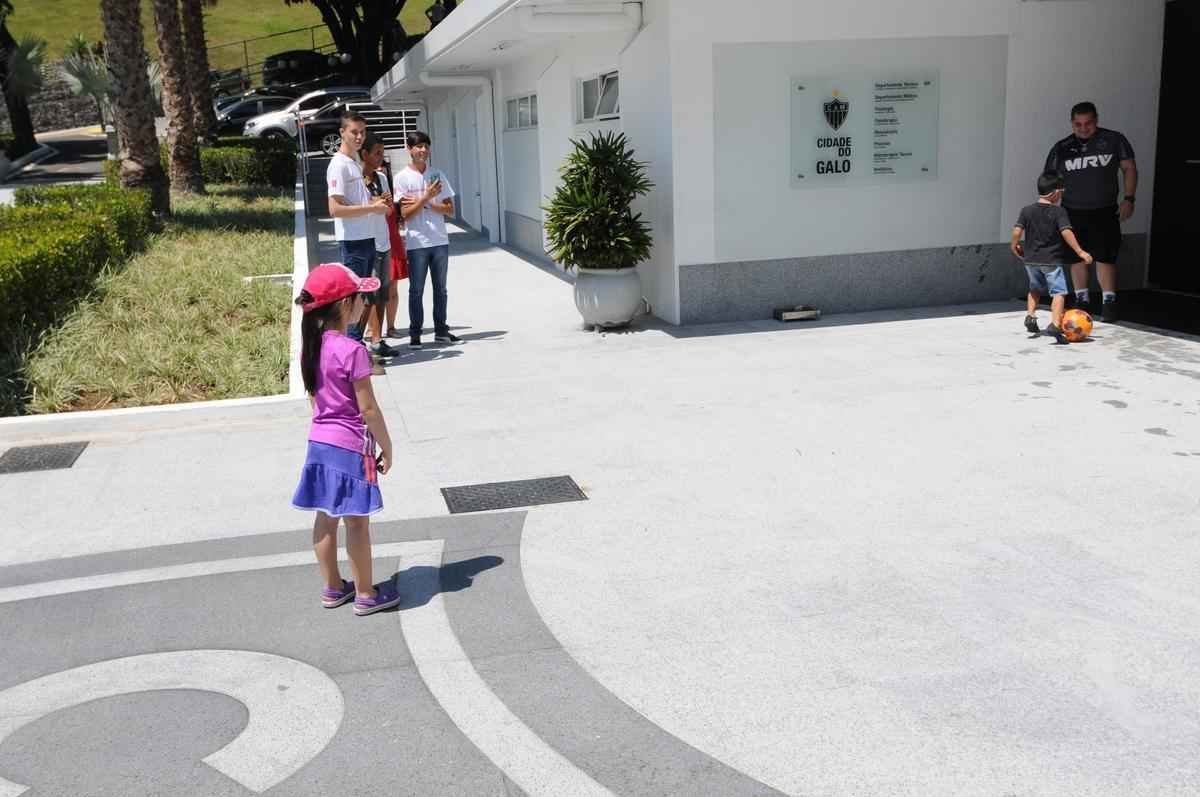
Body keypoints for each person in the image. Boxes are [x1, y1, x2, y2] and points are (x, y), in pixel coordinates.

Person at [291, 263, 401, 616]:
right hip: (352, 448)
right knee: (357, 522)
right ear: (344, 305)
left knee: (325, 518)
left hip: (319, 445)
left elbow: (315, 400)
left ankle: (333, 587)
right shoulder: (352, 351)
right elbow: (368, 409)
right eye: (359, 297)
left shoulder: (312, 347)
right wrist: (387, 446)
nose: (364, 302)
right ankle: (366, 593)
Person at [1043, 101, 1137, 322]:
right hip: (1072, 211)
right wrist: (1047, 208)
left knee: (1105, 257)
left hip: (1105, 210)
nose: (1084, 128)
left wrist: (1129, 199)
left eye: (1088, 123)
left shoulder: (1114, 140)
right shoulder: (1062, 147)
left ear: (1096, 120)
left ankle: (1109, 304)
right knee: (1076, 257)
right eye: (1078, 124)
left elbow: (1129, 168)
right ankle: (1082, 301)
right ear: (1071, 123)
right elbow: (1049, 178)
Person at [326, 111, 391, 349]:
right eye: (354, 132)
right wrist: (372, 208)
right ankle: (353, 350)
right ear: (342, 132)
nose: (359, 137)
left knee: (364, 298)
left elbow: (357, 203)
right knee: (353, 300)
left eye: (362, 132)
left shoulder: (353, 163)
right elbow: (334, 208)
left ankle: (357, 348)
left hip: (367, 238)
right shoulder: (338, 165)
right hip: (353, 242)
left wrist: (375, 204)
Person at [1011, 172, 1094, 344]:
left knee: (1034, 288)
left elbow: (1017, 230)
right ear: (1055, 192)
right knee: (1059, 292)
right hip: (1051, 260)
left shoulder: (1026, 210)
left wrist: (1014, 245)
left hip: (1030, 259)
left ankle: (1030, 316)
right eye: (1061, 192)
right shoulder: (1059, 212)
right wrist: (1080, 252)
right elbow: (1066, 232)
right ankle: (1055, 325)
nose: (1061, 195)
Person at [396, 130, 459, 349]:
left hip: (440, 241)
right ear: (409, 149)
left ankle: (441, 331)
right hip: (417, 243)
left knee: (441, 289)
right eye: (418, 146)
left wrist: (428, 203)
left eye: (426, 146)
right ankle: (415, 334)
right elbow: (405, 214)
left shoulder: (437, 174)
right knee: (416, 290)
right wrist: (426, 197)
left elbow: (449, 209)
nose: (423, 150)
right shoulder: (402, 178)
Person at [360, 133, 399, 360]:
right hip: (366, 243)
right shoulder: (356, 179)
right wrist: (375, 203)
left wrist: (387, 203)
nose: (380, 157)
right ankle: (362, 341)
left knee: (383, 294)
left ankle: (377, 339)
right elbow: (357, 208)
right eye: (376, 153)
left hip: (384, 242)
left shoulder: (382, 177)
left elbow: (390, 210)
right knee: (369, 296)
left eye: (382, 153)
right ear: (364, 154)